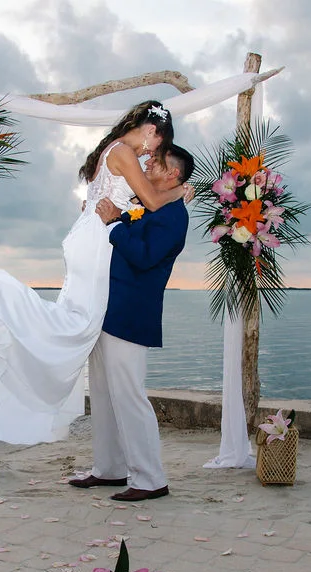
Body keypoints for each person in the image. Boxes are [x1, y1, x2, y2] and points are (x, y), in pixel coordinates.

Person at [0, 100, 188, 445]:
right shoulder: (124, 152)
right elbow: (151, 201)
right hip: (96, 240)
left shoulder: (111, 148)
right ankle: (3, 298)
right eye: (156, 145)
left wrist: (115, 211)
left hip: (87, 236)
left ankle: (13, 319)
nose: (150, 154)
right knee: (79, 324)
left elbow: (121, 200)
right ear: (151, 130)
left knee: (77, 319)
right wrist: (179, 191)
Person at [67, 144, 194, 501]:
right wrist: (106, 217)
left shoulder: (174, 215)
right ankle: (110, 468)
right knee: (103, 394)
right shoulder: (149, 207)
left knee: (129, 396)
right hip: (106, 308)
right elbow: (129, 231)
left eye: (157, 161)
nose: (148, 162)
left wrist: (112, 223)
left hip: (131, 313)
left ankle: (150, 479)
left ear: (173, 174)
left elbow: (144, 256)